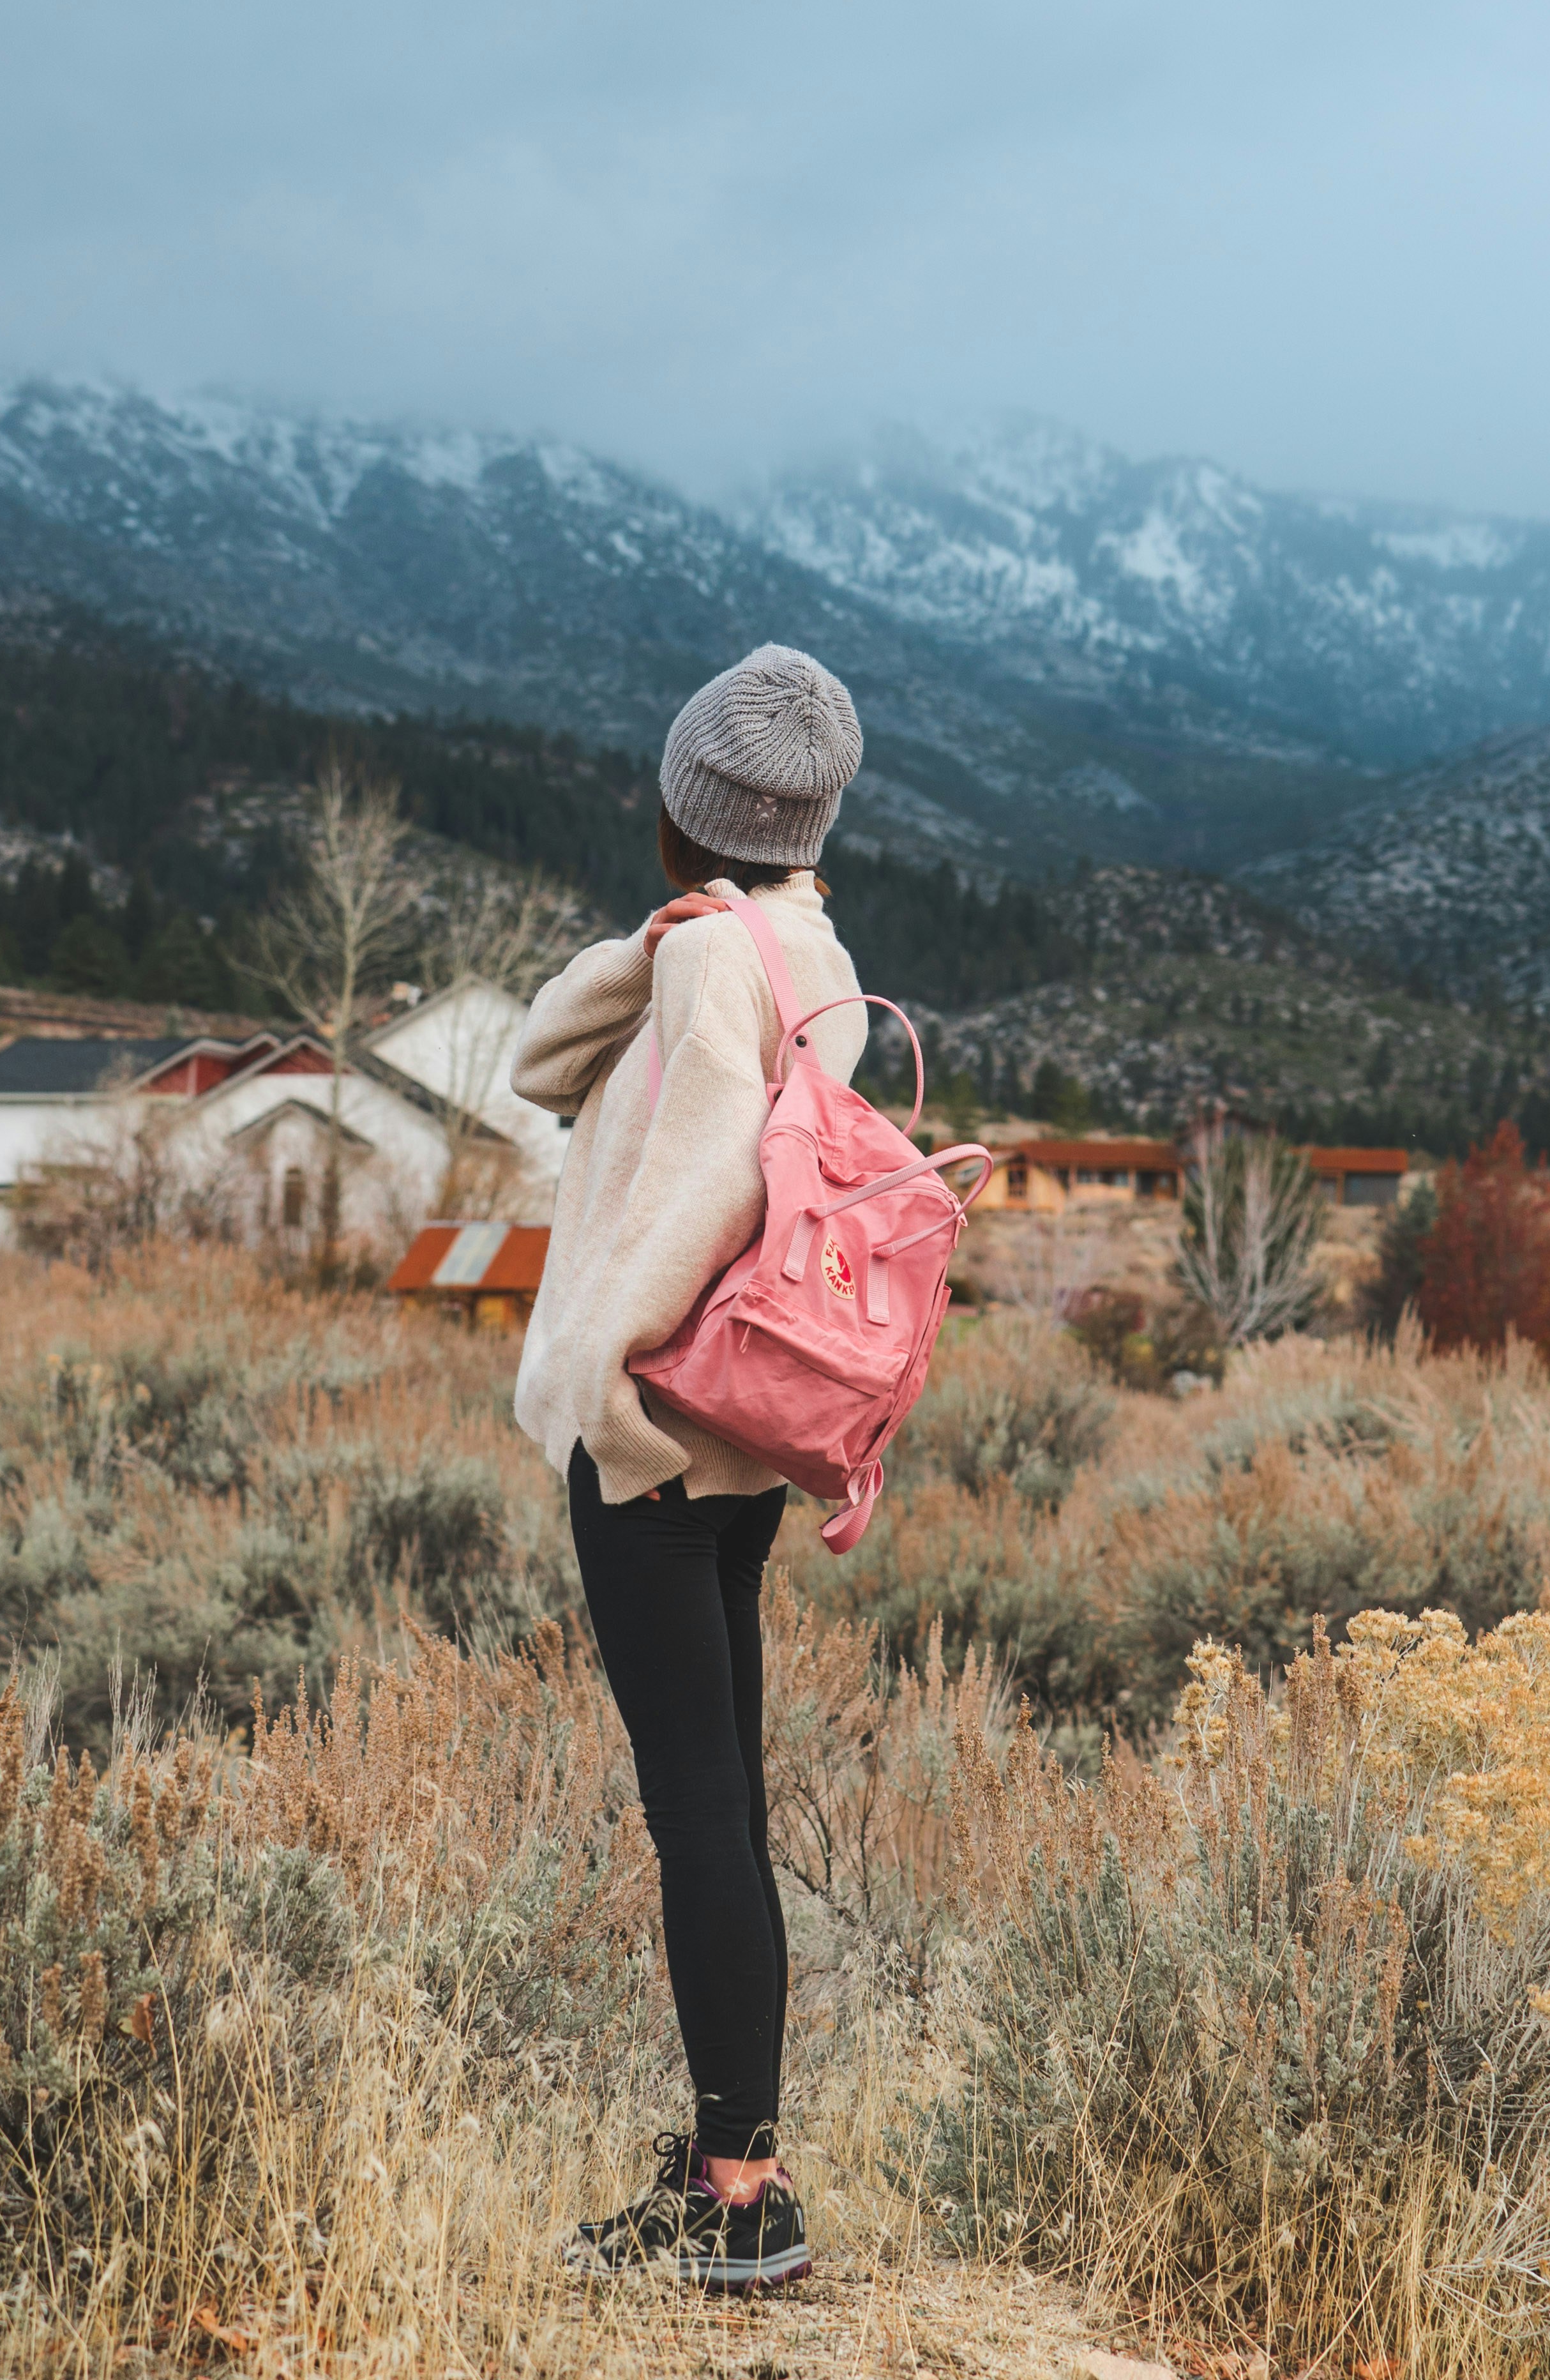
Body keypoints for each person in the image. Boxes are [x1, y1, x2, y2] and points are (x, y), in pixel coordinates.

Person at [510, 641, 866, 2293]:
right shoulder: (792, 949)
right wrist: (660, 942)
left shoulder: (720, 968)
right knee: (726, 1800)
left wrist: (603, 1380)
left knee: (702, 1818)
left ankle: (736, 2198)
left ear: (682, 806)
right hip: (742, 1433)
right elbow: (540, 1057)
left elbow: (711, 1182)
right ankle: (738, 2165)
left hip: (659, 1433)